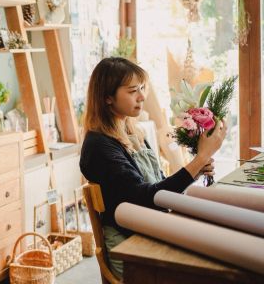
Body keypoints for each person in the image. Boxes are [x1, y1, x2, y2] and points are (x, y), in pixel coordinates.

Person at [79, 57, 226, 279]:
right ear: (107, 97)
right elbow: (147, 197)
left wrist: (197, 169)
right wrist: (200, 157)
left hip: (150, 226)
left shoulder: (133, 133)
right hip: (129, 244)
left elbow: (158, 184)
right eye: (132, 91)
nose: (142, 97)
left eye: (141, 89)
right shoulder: (99, 146)